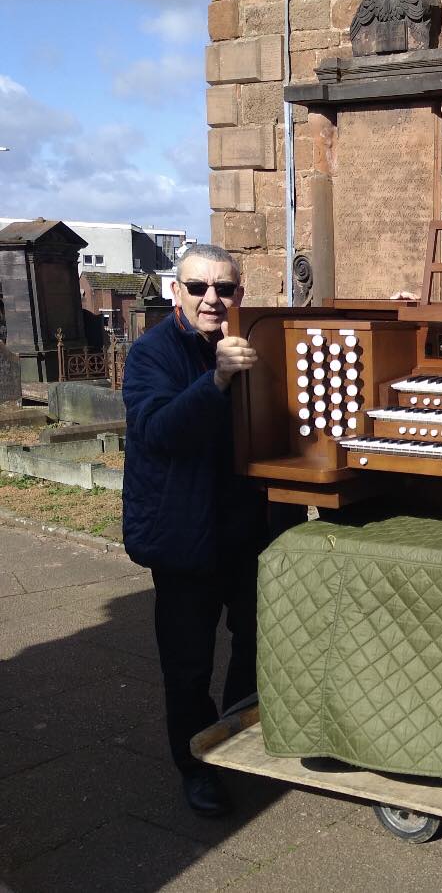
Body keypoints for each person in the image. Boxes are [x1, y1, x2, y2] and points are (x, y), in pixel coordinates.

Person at [122, 243, 266, 817]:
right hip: (181, 533)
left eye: (224, 289)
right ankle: (196, 766)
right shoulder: (151, 353)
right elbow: (159, 431)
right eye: (199, 287)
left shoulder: (249, 338)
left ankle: (235, 736)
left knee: (257, 640)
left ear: (239, 293)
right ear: (176, 291)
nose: (212, 299)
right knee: (187, 664)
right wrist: (218, 379)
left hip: (244, 526)